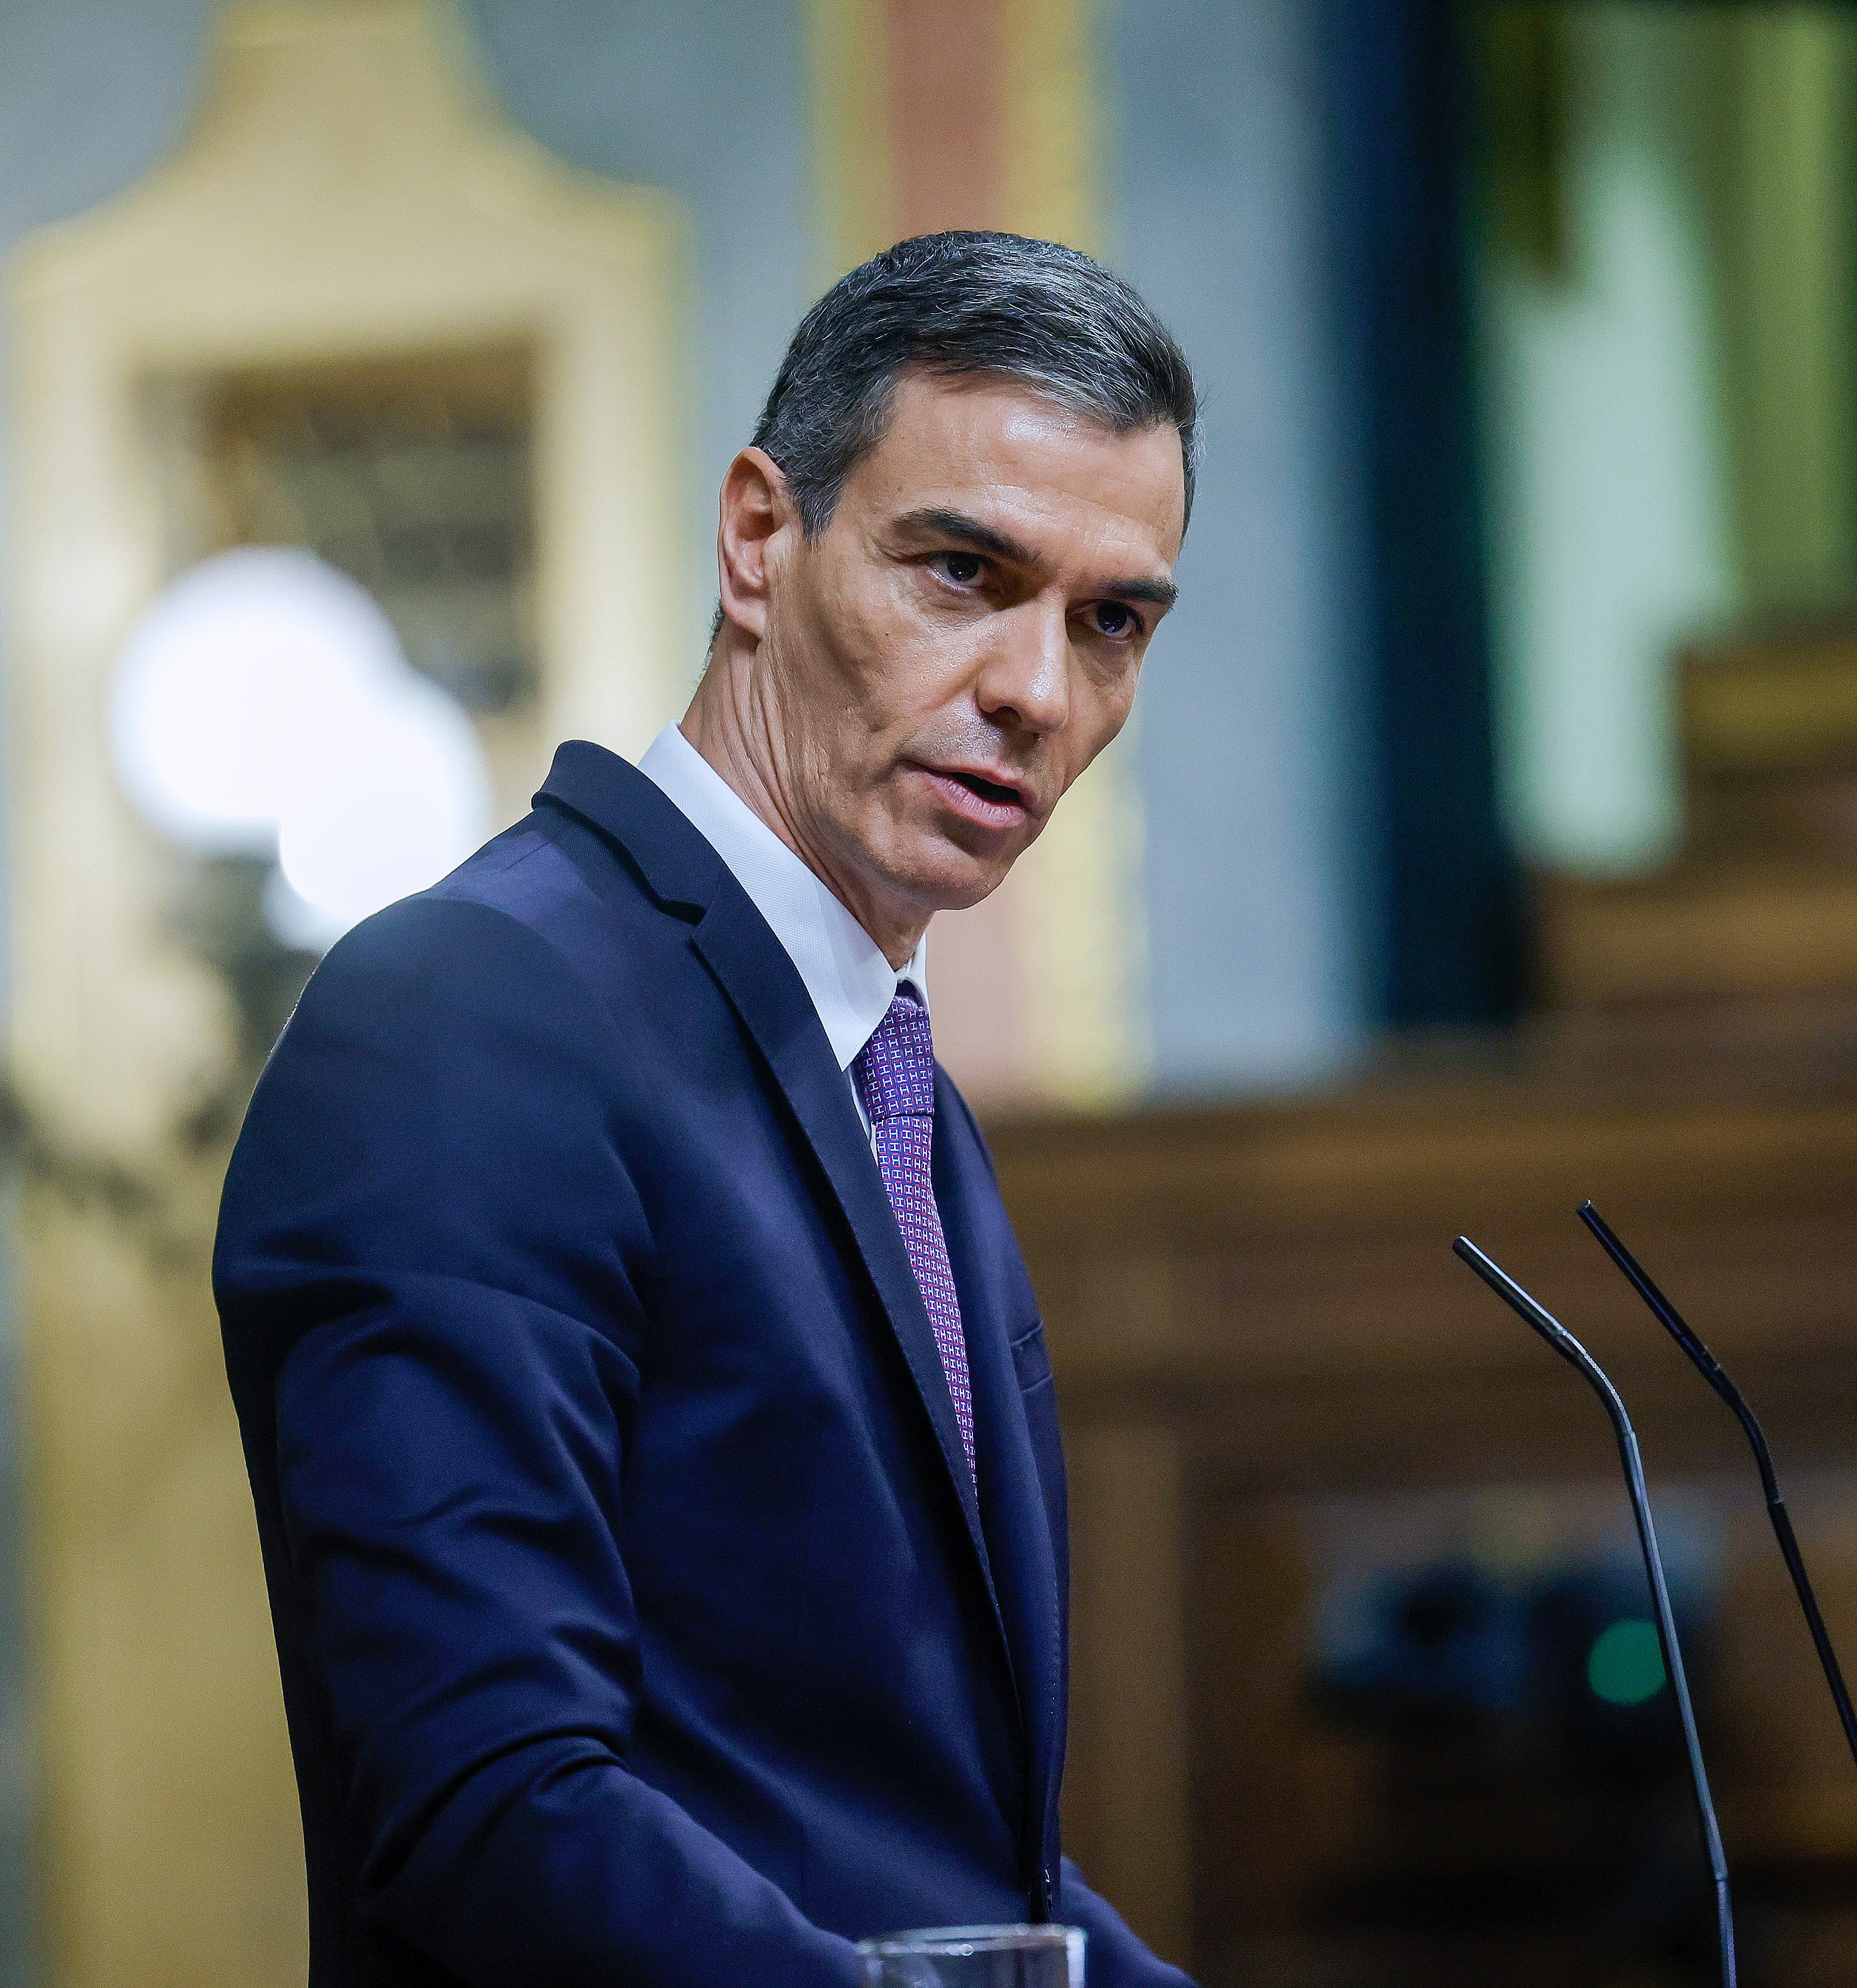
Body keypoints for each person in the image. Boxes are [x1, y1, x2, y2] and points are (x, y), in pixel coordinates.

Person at [216, 231, 1196, 1988]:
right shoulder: (470, 1014)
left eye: (1108, 620)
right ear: (759, 538)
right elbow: (489, 1807)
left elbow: (933, 1850)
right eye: (964, 572)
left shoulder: (885, 1077)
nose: (1039, 693)